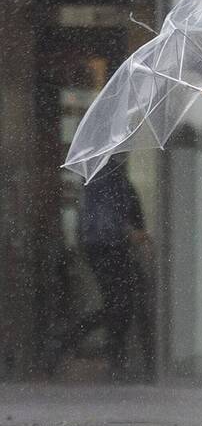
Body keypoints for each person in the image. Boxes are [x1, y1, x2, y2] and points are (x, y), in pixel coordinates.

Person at [51, 156, 155, 381]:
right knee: (119, 306)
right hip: (109, 249)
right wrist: (130, 234)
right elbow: (106, 221)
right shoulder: (107, 176)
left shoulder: (104, 177)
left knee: (118, 305)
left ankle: (108, 355)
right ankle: (108, 356)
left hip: (106, 249)